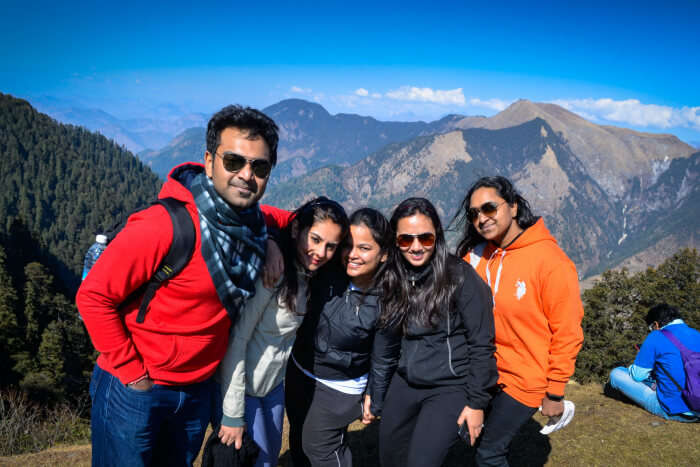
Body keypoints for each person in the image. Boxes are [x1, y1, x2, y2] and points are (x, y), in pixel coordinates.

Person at [76, 105, 286, 467]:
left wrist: (274, 241)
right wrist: (133, 374)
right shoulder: (164, 226)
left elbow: (299, 222)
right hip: (138, 387)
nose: (246, 175)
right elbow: (93, 297)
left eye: (260, 167)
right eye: (233, 161)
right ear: (209, 161)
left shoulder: (251, 224)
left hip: (197, 391)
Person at [455, 176, 584, 466]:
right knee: (466, 433)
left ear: (513, 207)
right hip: (487, 370)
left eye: (489, 208)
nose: (481, 218)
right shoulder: (477, 255)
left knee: (490, 453)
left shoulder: (552, 262)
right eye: (474, 214)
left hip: (526, 379)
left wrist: (554, 391)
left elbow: (568, 331)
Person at [215, 197, 350, 467]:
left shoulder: (310, 274)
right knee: (259, 461)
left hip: (273, 387)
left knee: (272, 453)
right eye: (315, 239)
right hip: (243, 386)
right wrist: (232, 413)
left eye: (331, 246)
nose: (321, 252)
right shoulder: (274, 273)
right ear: (296, 229)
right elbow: (238, 339)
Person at [377, 198, 497, 467]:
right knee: (389, 455)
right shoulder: (393, 276)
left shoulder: (460, 278)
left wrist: (477, 403)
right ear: (395, 241)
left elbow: (482, 344)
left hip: (449, 386)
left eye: (425, 238)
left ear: (438, 237)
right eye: (406, 239)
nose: (417, 247)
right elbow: (386, 339)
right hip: (406, 379)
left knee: (422, 461)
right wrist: (376, 389)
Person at [285, 207, 400, 467]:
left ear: (383, 255)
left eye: (364, 248)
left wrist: (376, 397)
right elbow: (306, 220)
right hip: (300, 370)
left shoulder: (386, 299)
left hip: (339, 386)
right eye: (348, 245)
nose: (352, 254)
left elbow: (384, 356)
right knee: (298, 440)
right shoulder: (327, 270)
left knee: (321, 448)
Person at [607, 304, 700, 422]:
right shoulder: (697, 334)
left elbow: (638, 375)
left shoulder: (656, 335)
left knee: (617, 374)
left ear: (656, 324)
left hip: (674, 409)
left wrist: (638, 362)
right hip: (698, 404)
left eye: (651, 328)